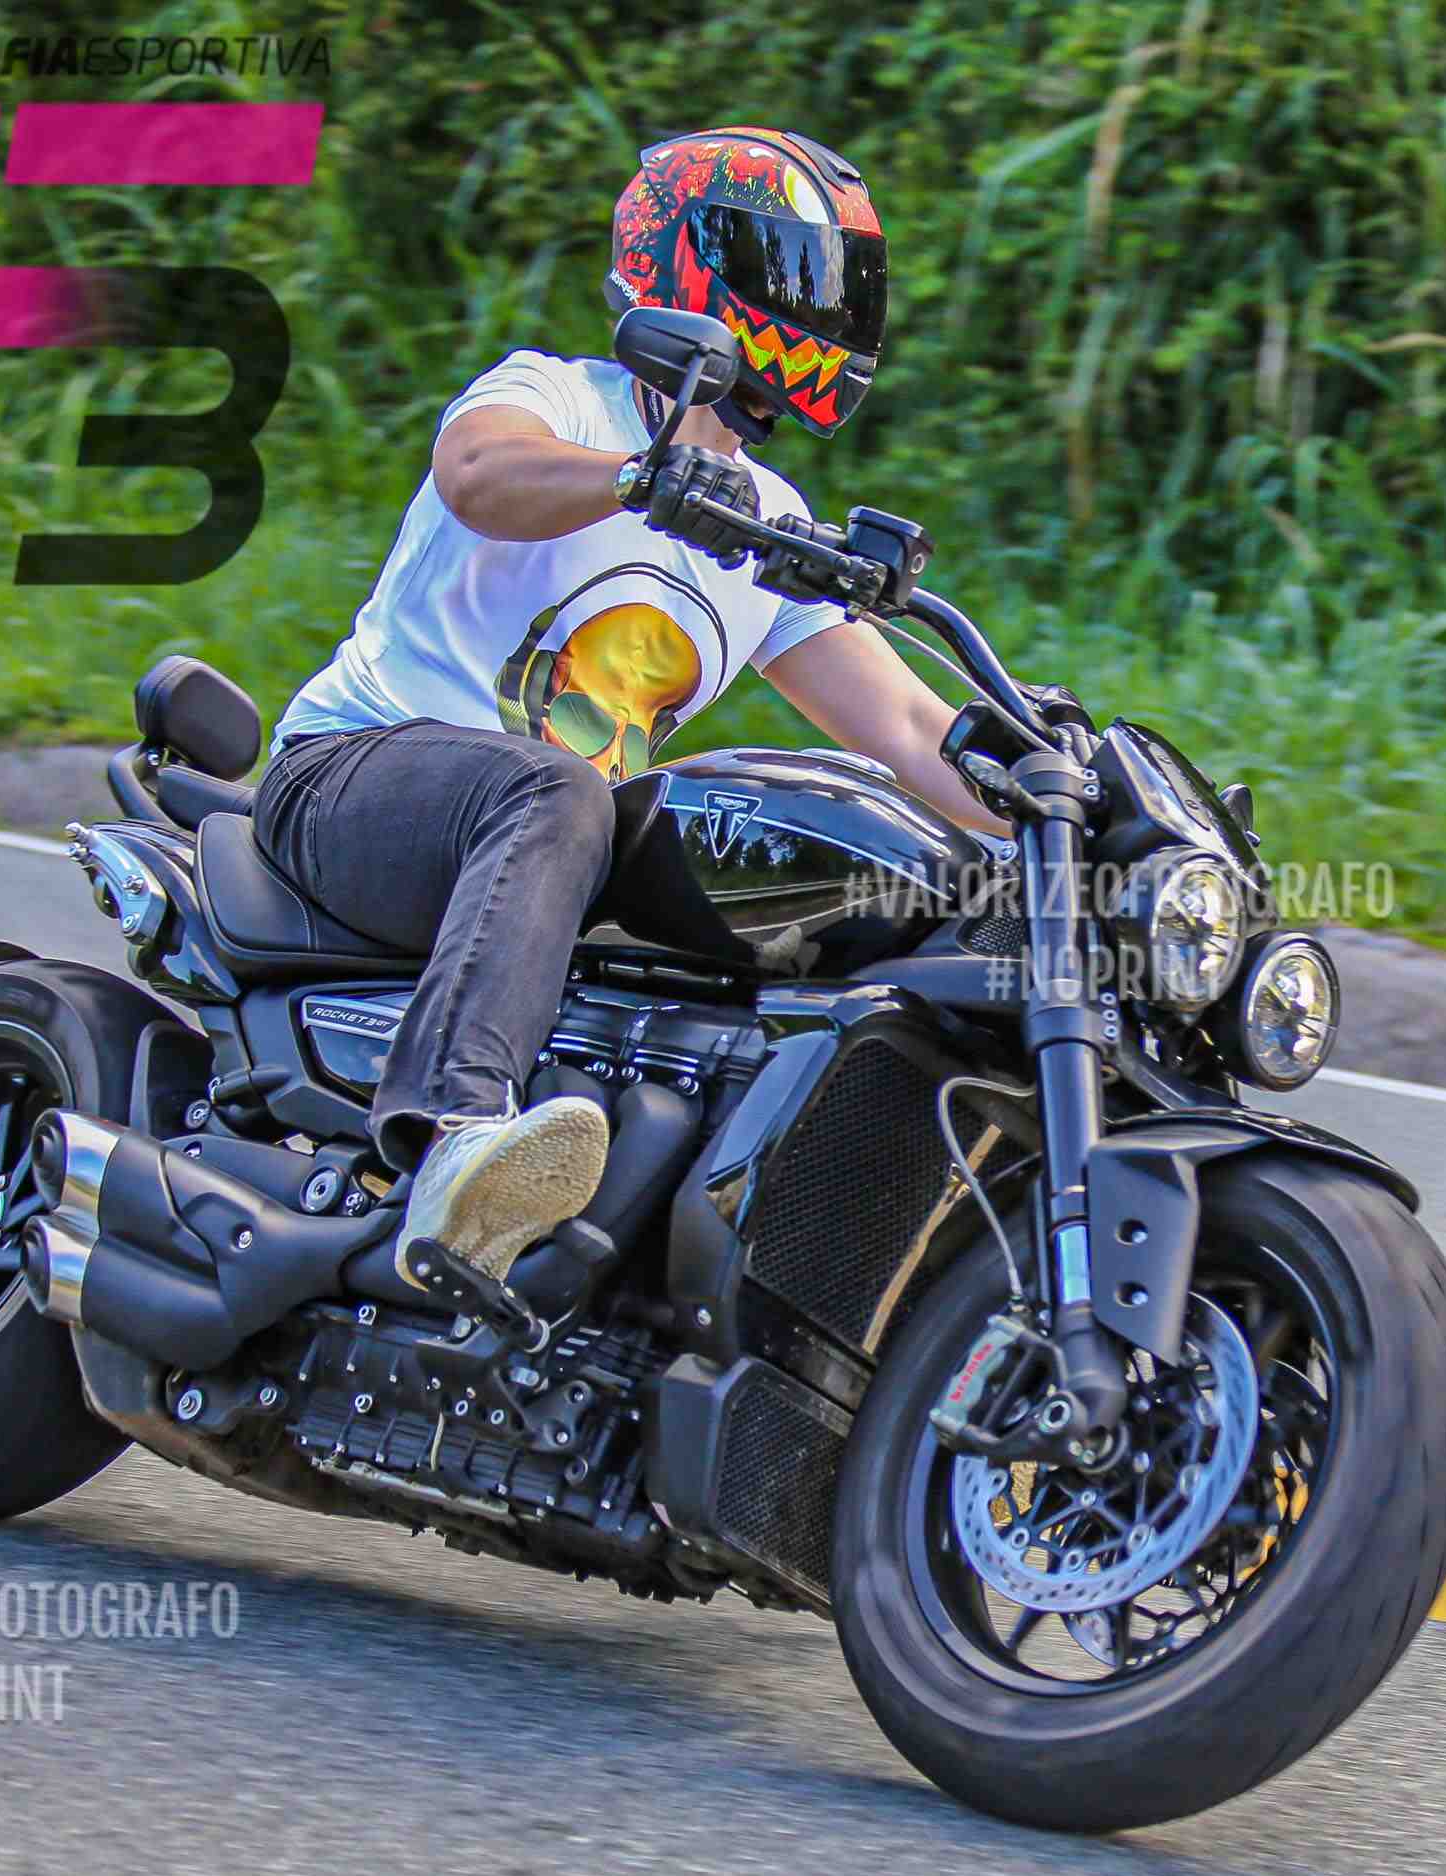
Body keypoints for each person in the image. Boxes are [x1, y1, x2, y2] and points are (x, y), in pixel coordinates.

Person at [257, 125, 1001, 1293]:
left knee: (856, 867)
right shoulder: (558, 397)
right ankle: (455, 1135)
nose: (823, 309)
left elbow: (911, 729)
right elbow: (477, 474)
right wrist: (634, 479)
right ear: (695, 264)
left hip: (546, 842)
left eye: (838, 285)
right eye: (793, 274)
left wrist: (1067, 800)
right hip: (349, 775)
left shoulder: (766, 514)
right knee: (559, 788)